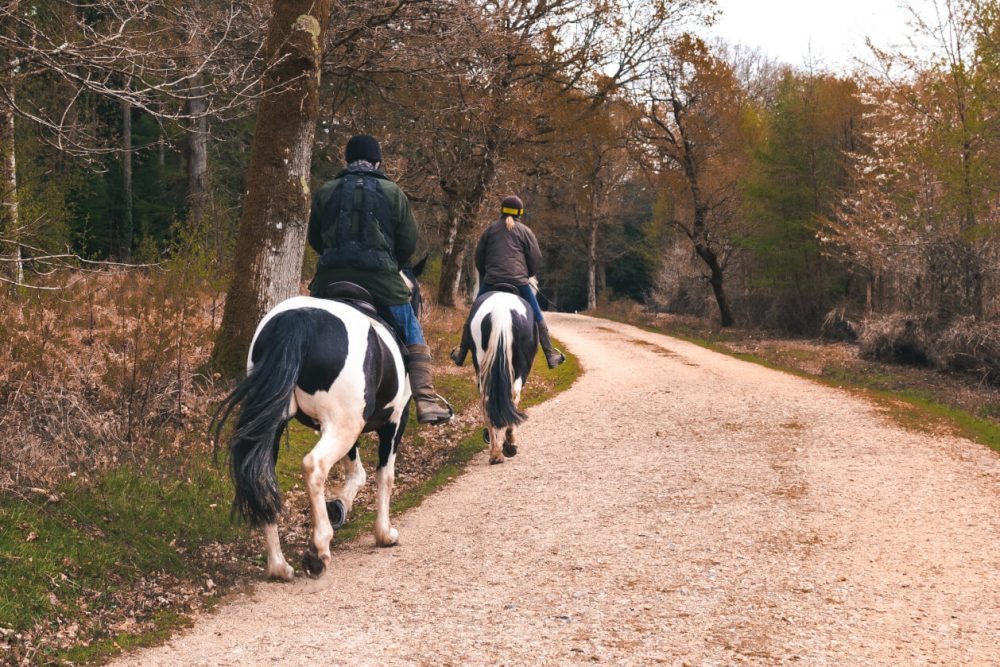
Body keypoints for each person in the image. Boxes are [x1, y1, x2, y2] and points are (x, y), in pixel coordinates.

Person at [307, 134, 451, 425]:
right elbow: (408, 242)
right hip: (380, 280)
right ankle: (425, 398)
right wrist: (391, 264)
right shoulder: (392, 191)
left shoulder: (326, 191)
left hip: (328, 279)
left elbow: (315, 238)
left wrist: (336, 257)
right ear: (377, 161)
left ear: (346, 160)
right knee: (412, 329)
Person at [450, 195, 565, 369]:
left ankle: (461, 353)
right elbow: (536, 258)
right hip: (519, 283)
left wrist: (487, 274)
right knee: (538, 315)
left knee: (473, 314)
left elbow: (479, 257)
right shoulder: (526, 232)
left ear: (501, 210)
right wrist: (527, 274)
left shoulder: (490, 230)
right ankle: (550, 355)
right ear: (520, 212)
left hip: (492, 281)